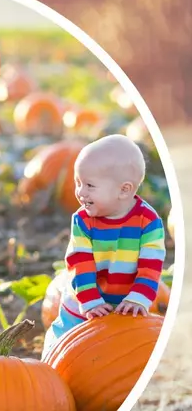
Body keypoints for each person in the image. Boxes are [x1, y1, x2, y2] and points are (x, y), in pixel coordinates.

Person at [41, 134, 166, 356]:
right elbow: (80, 262)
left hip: (127, 303)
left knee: (122, 355)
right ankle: (50, 366)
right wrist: (89, 300)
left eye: (89, 185)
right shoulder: (82, 220)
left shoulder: (149, 222)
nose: (80, 192)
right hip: (84, 301)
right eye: (78, 183)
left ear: (124, 190)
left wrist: (139, 297)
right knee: (63, 343)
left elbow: (151, 265)